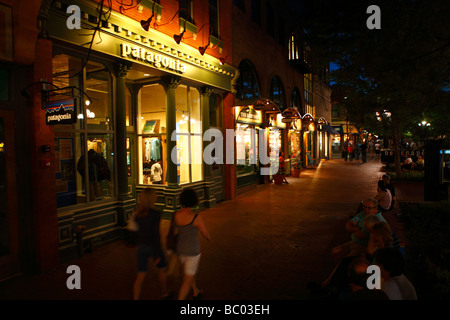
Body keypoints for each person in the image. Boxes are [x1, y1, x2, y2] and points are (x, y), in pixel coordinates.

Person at [132, 188, 172, 300]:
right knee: (162, 269)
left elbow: (136, 232)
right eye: (155, 195)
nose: (156, 196)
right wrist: (158, 253)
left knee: (140, 275)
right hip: (153, 247)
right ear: (151, 198)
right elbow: (156, 234)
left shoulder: (137, 214)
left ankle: (136, 297)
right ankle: (164, 292)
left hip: (141, 247)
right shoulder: (156, 214)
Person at [175, 188, 211, 300]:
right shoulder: (196, 217)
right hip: (192, 251)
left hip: (180, 250)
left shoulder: (176, 215)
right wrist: (208, 238)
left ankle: (195, 291)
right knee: (187, 280)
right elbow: (205, 233)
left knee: (188, 273)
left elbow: (175, 232)